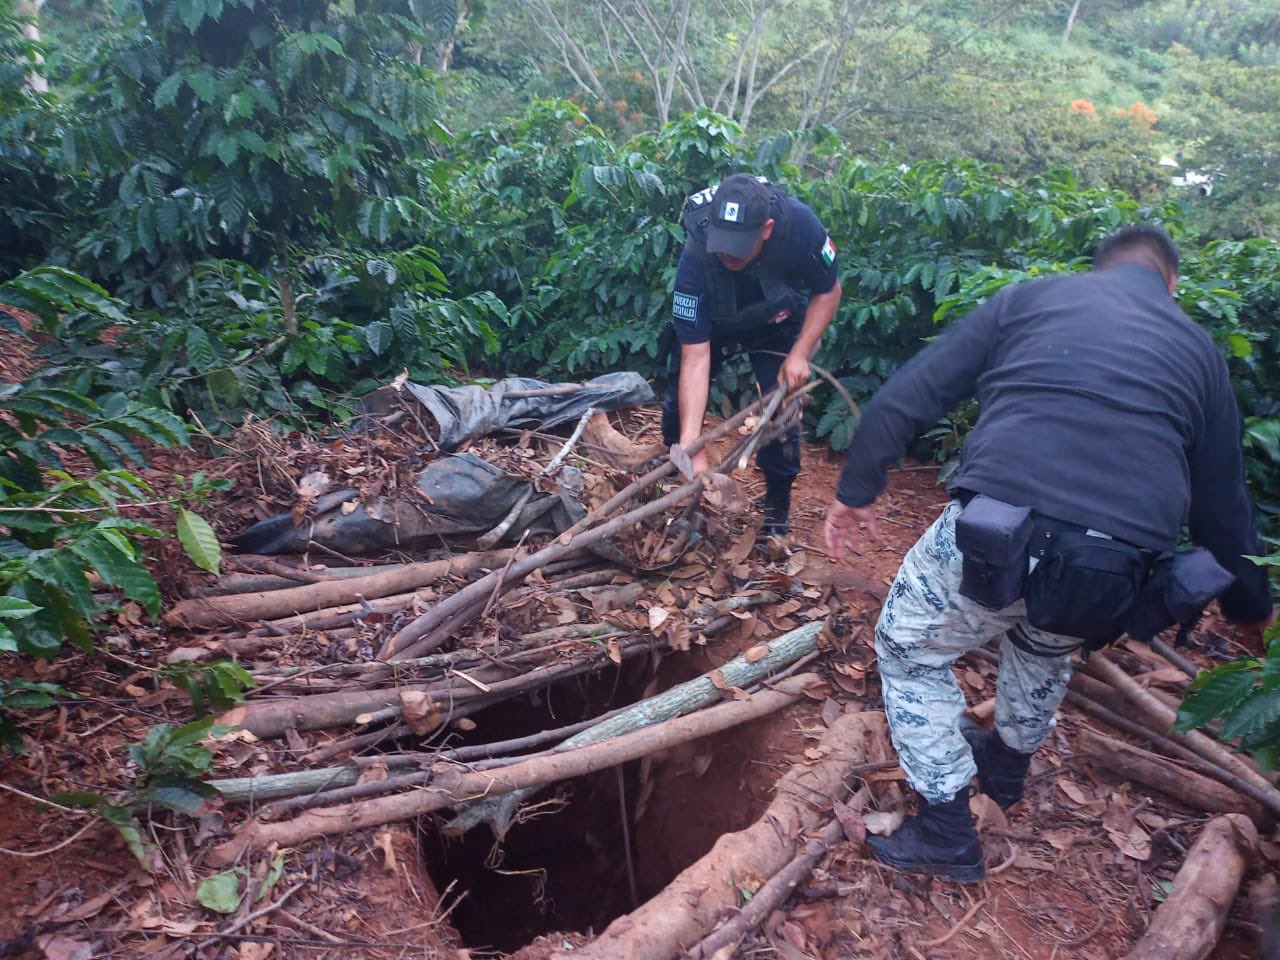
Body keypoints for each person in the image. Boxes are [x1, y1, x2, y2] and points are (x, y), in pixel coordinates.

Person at [821, 224, 1274, 883]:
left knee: (908, 649)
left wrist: (857, 489)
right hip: (1115, 570)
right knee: (1042, 644)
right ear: (1172, 284)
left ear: (1098, 270)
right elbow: (1224, 509)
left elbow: (910, 395)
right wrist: (1251, 608)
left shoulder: (1032, 299)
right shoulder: (1199, 352)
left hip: (1004, 531)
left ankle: (947, 828)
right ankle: (1004, 770)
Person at [665, 173, 842, 535]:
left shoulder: (801, 228)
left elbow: (829, 291)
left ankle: (777, 511)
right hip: (717, 323)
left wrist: (800, 354)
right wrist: (691, 444)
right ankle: (678, 492)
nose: (728, 252)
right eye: (723, 241)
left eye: (739, 244)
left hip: (777, 321)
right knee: (675, 410)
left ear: (767, 229)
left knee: (779, 416)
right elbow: (695, 357)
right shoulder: (697, 255)